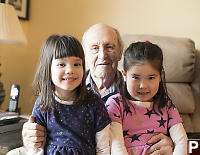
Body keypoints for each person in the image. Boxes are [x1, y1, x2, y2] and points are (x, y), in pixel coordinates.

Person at [21, 24, 174, 155]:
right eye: (94, 48)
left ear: (120, 52)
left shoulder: (139, 89)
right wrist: (30, 138)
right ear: (84, 55)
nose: (103, 55)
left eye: (109, 47)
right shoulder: (63, 87)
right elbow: (38, 133)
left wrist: (171, 143)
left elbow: (169, 121)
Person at [27, 34, 111, 154]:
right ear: (48, 69)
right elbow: (36, 148)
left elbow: (103, 147)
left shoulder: (93, 102)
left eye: (76, 64)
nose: (70, 70)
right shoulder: (43, 103)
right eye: (61, 64)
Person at [106, 41, 187, 155]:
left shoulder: (167, 105)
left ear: (160, 76)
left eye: (151, 77)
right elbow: (116, 145)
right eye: (136, 77)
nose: (143, 85)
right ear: (124, 75)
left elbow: (181, 141)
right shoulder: (115, 104)